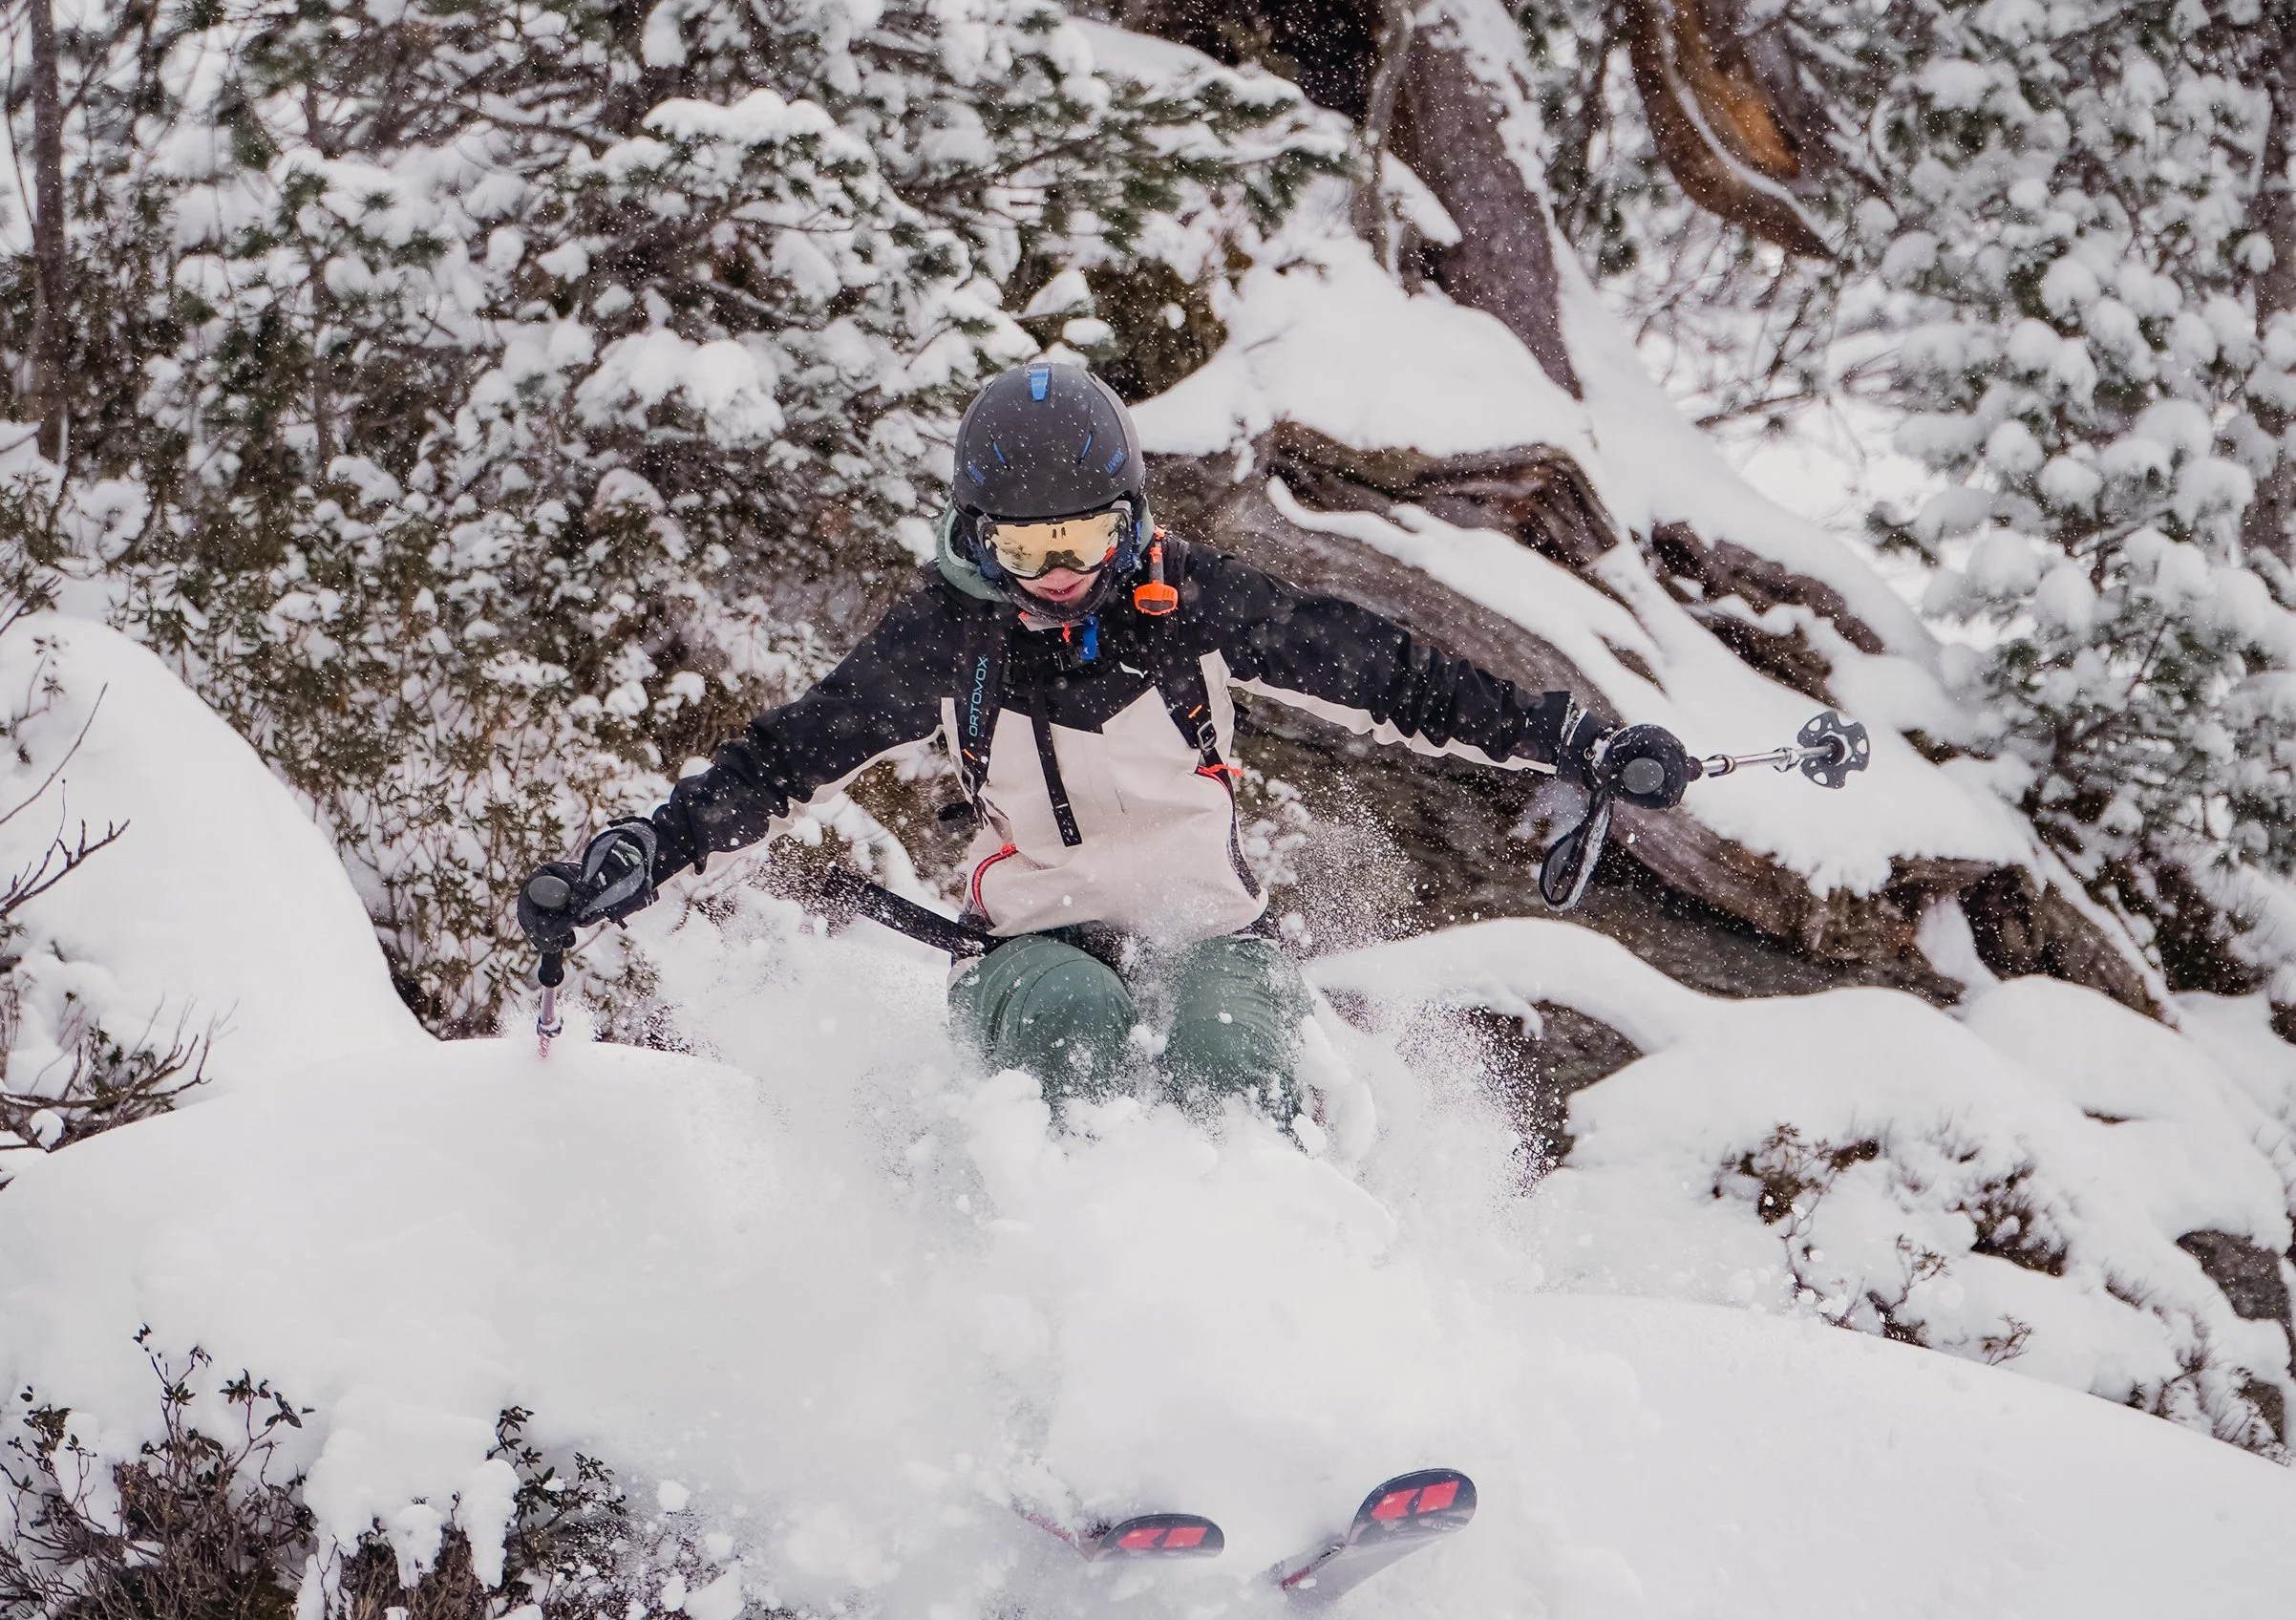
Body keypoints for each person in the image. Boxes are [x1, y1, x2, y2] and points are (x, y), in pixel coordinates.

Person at [513, 360, 1690, 1123]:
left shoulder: (1189, 603)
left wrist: (1573, 738)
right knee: (1076, 1034)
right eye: (1025, 550)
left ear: (1128, 519)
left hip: (1208, 929)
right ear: (979, 540)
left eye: (1081, 538)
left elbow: (1394, 678)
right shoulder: (949, 639)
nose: (1060, 572)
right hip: (1031, 947)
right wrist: (645, 851)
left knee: (1230, 1047)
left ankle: (1297, 1335)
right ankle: (1080, 1351)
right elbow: (781, 763)